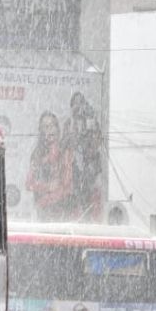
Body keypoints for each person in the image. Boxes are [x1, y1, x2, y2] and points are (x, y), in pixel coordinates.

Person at [63, 92, 104, 222]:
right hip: (72, 169)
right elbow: (62, 144)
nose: (78, 106)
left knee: (87, 198)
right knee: (74, 198)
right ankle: (75, 218)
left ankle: (87, 219)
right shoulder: (68, 124)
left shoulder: (92, 123)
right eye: (75, 103)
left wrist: (90, 131)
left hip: (88, 170)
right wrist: (71, 139)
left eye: (80, 102)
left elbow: (97, 143)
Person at [26, 111, 74, 221]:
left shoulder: (66, 152)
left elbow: (67, 184)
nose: (50, 129)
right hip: (44, 211)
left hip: (63, 209)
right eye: (46, 126)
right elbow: (29, 184)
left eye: (52, 125)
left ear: (57, 128)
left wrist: (56, 193)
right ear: (41, 131)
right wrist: (47, 188)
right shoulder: (37, 154)